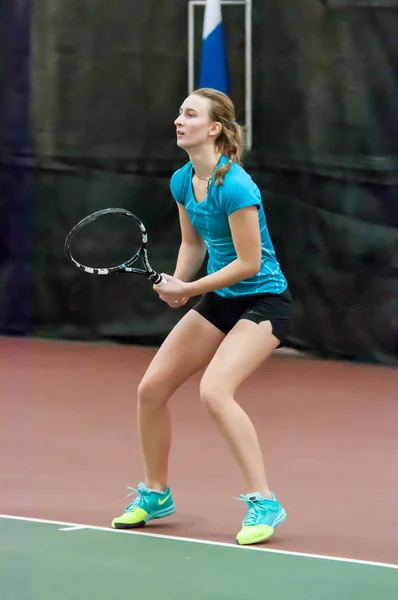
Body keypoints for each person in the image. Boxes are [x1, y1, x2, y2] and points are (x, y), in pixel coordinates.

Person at [111, 87, 292, 545]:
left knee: (215, 390)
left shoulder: (235, 185)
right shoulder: (182, 180)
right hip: (219, 298)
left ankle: (264, 501)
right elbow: (193, 244)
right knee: (151, 389)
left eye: (189, 114)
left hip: (263, 301)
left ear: (214, 128)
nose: (178, 119)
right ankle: (155, 493)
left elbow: (249, 264)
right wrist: (177, 281)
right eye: (178, 112)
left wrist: (189, 289)